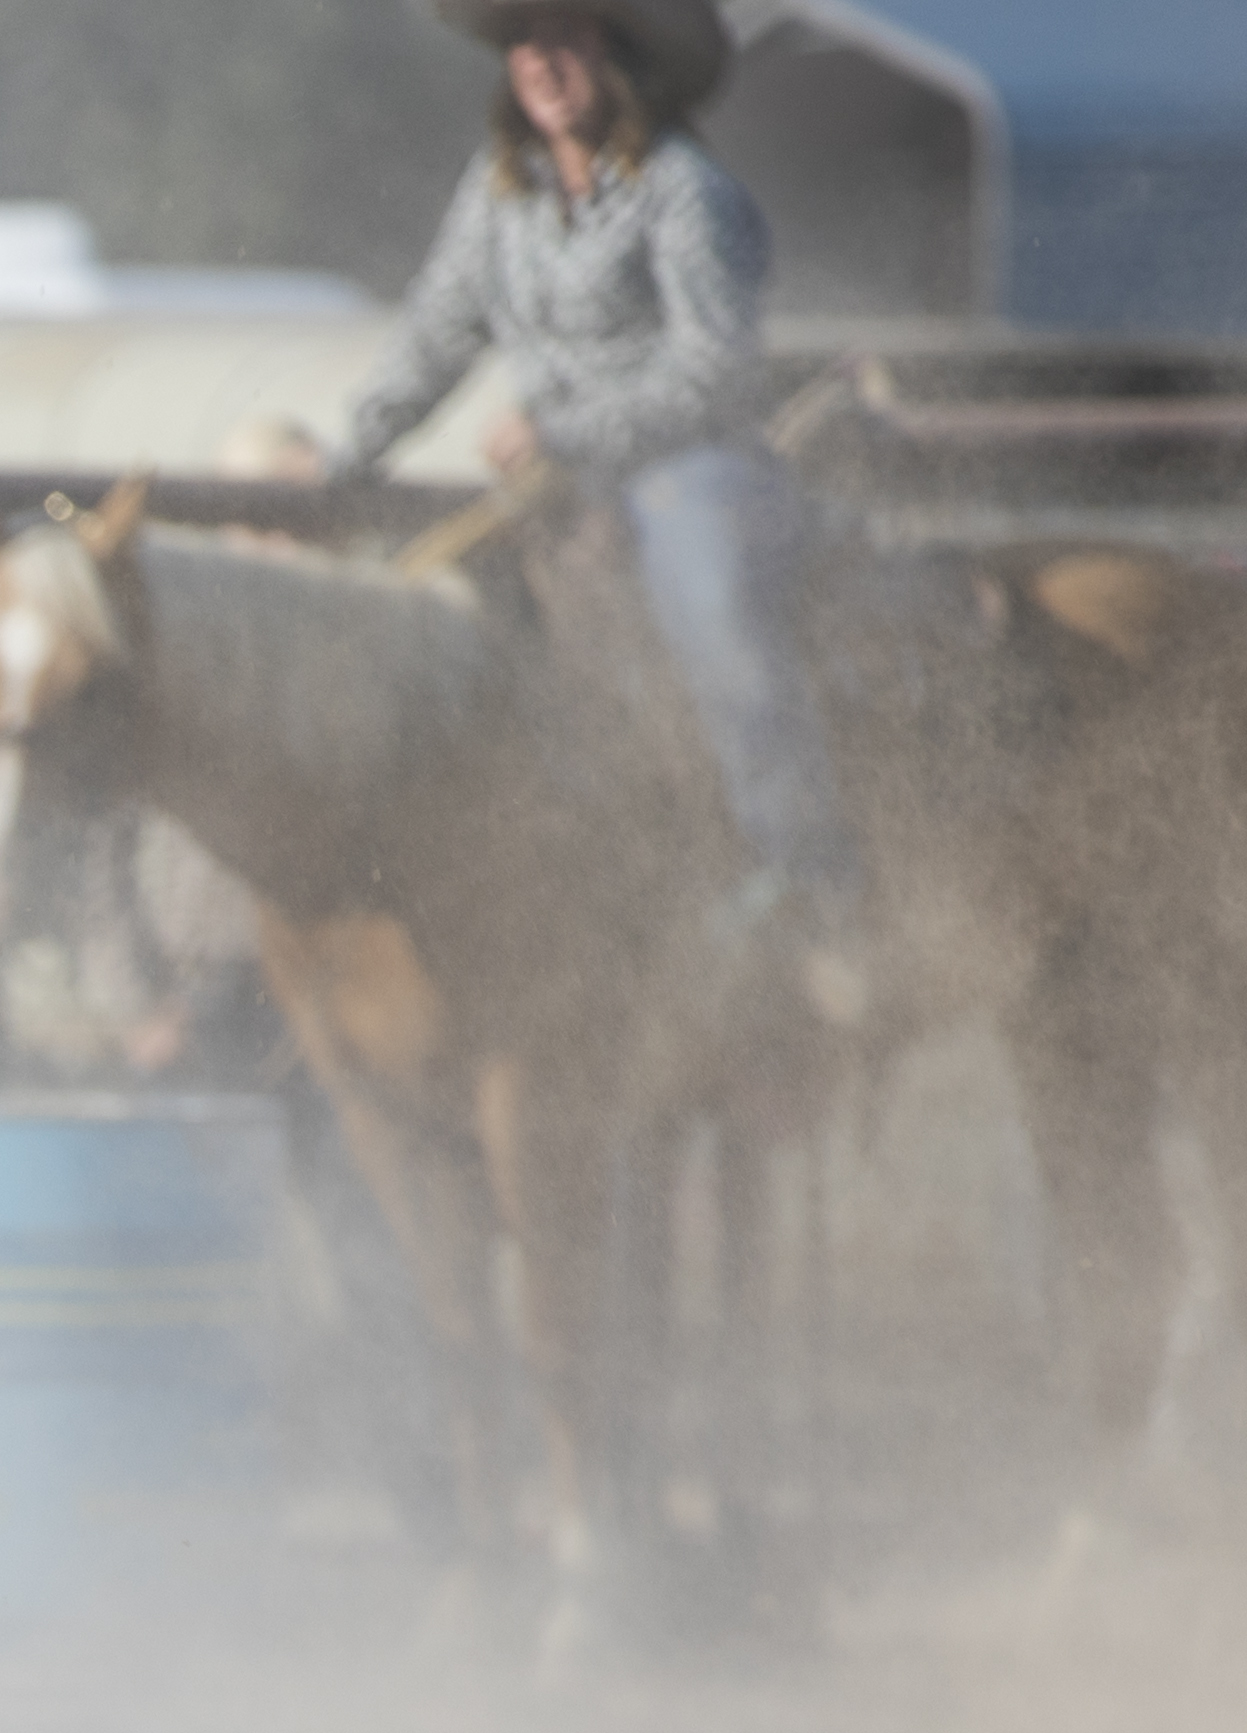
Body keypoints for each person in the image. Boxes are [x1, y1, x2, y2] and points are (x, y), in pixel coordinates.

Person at [337, 0, 866, 1021]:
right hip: (556, 480)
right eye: (523, 42)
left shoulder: (683, 192)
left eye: (565, 35)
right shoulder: (500, 195)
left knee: (713, 608)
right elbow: (435, 329)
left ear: (618, 56)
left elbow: (713, 368)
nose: (540, 60)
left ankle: (808, 872)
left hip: (687, 464)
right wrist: (350, 453)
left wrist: (566, 431)